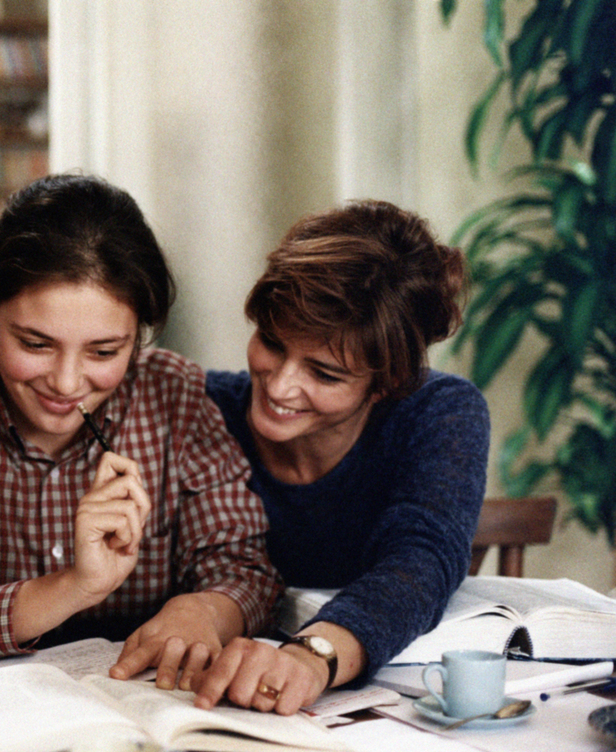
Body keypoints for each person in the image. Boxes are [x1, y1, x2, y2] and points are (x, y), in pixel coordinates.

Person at [0, 174, 283, 689]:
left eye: (104, 352)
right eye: (36, 344)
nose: (67, 383)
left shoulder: (176, 396)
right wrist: (73, 587)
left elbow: (245, 568)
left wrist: (205, 611)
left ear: (139, 337)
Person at [193, 200, 490, 715]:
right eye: (271, 342)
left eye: (325, 374)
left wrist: (312, 657)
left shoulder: (439, 411)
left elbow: (419, 561)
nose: (281, 384)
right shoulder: (198, 406)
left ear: (388, 384)